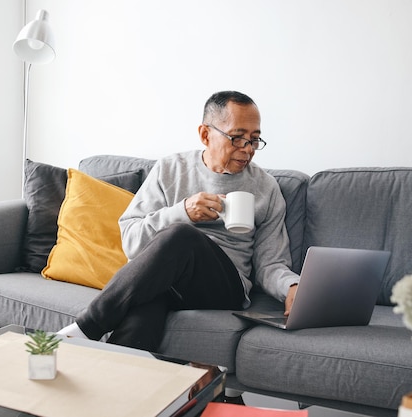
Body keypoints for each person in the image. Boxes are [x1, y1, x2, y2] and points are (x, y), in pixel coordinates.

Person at [58, 90, 299, 352]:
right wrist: (182, 211)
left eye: (254, 140)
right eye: (237, 138)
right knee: (143, 312)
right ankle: (118, 379)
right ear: (206, 134)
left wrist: (292, 286)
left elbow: (270, 263)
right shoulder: (170, 169)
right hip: (165, 281)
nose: (247, 149)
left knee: (182, 236)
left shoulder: (266, 187)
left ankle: (86, 327)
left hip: (222, 288)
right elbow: (131, 241)